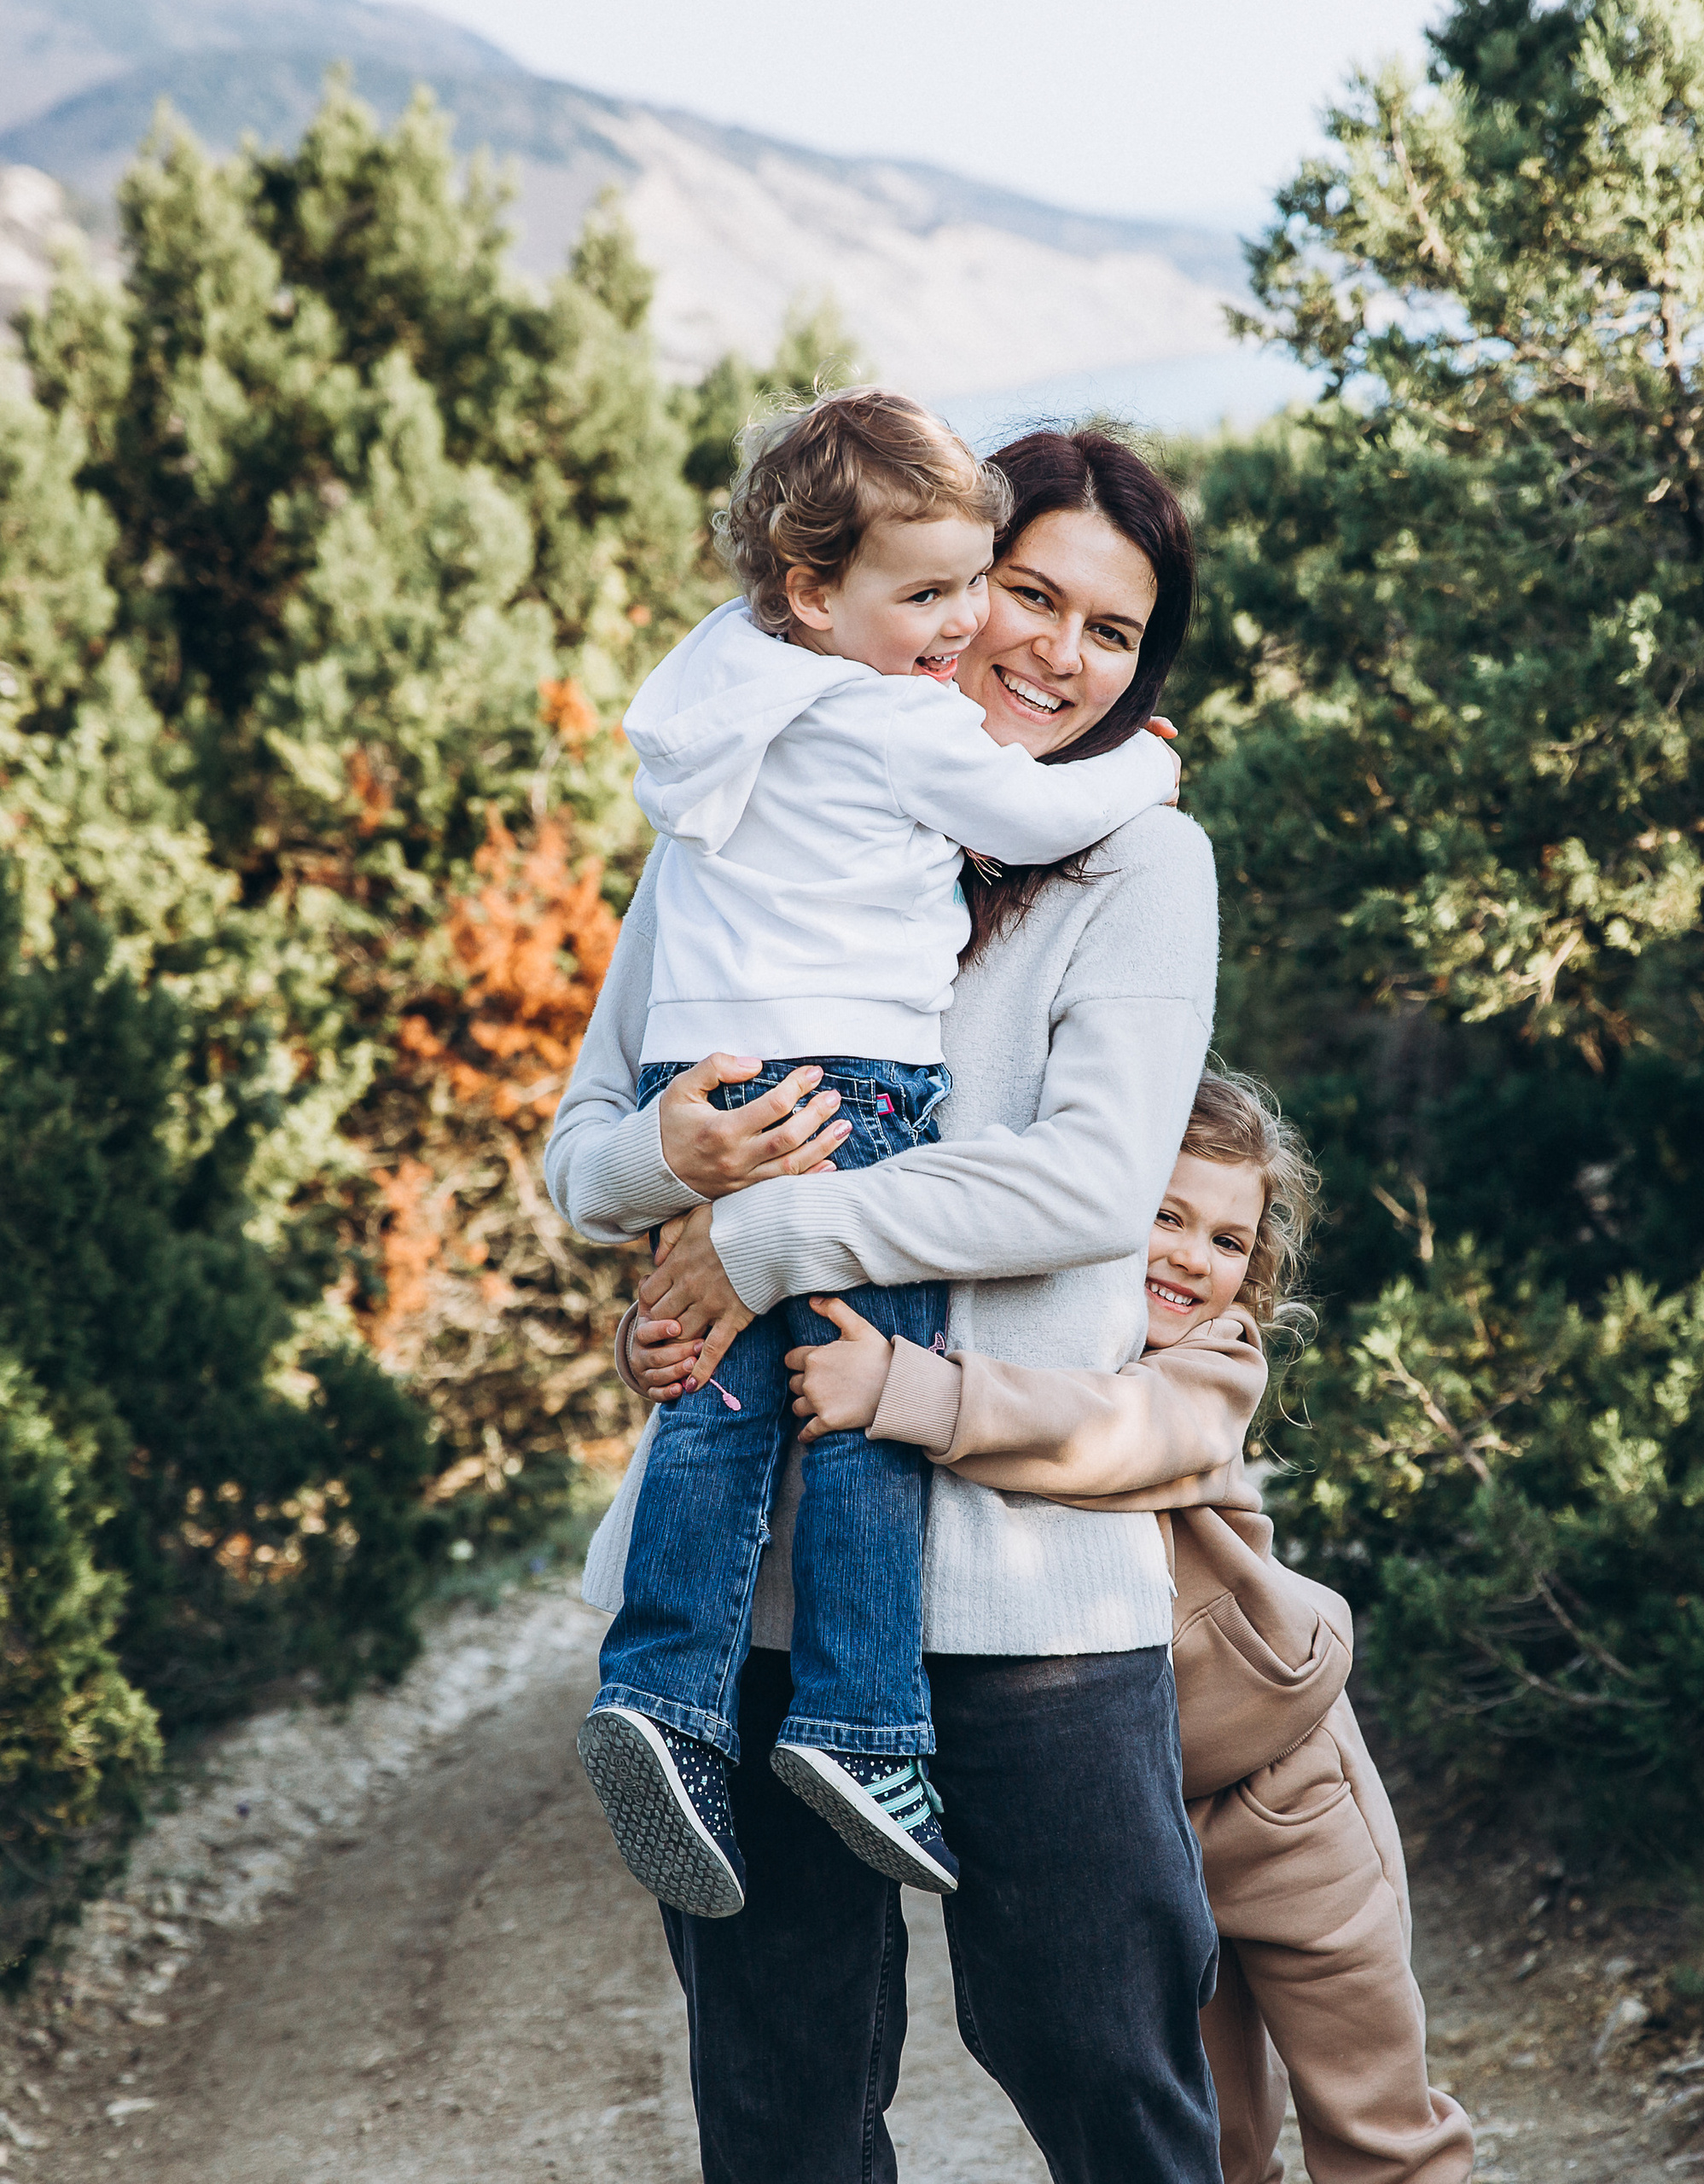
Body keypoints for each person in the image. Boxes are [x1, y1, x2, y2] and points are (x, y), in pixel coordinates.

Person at [544, 427, 1226, 2182]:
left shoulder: (1135, 866)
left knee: (1111, 2093)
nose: (1053, 651)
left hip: (1035, 1601)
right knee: (779, 2120)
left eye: (1110, 631)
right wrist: (672, 1169)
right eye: (1025, 592)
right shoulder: (752, 790)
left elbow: (1082, 1183)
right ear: (938, 583)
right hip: (754, 1606)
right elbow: (581, 1154)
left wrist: (765, 1241)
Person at [770, 1069, 1476, 2184]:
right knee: (1212, 2142)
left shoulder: (1214, 1365)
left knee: (1378, 2124)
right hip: (1128, 1812)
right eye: (1166, 1215)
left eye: (1231, 1239)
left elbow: (1113, 1437)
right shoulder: (1024, 1340)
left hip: (1285, 1792)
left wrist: (909, 1391)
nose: (1196, 1256)